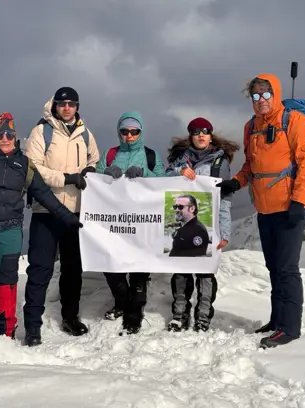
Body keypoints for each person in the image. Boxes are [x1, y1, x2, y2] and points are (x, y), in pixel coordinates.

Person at [216, 73, 305, 348]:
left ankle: (290, 327)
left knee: (287, 268)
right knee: (274, 268)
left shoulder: (293, 121)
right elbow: (251, 164)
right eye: (256, 96)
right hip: (264, 208)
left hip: (290, 207)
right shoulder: (252, 127)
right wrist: (236, 182)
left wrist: (299, 199)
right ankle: (277, 320)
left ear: (275, 94)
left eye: (266, 94)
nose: (261, 100)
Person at [0, 112, 82, 339]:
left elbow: (43, 194)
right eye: (1, 134)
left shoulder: (23, 164)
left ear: (15, 136)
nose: (5, 138)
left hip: (10, 231)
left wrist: (68, 218)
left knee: (7, 279)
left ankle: (6, 330)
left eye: (10, 134)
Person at [23, 87, 100, 346]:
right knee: (40, 269)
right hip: (46, 210)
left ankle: (70, 317)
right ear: (55, 105)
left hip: (75, 212)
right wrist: (66, 178)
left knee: (72, 269)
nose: (67, 108)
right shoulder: (41, 132)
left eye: (72, 104)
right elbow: (33, 168)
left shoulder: (85, 133)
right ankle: (33, 326)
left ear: (77, 106)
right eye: (62, 103)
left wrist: (90, 169)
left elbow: (95, 159)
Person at [165, 117, 239, 332]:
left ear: (210, 135)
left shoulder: (219, 161)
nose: (200, 135)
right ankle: (179, 314)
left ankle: (203, 316)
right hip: (179, 225)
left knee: (205, 272)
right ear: (191, 136)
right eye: (196, 132)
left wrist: (224, 231)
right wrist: (179, 172)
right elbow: (163, 177)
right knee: (181, 270)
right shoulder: (181, 158)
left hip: (208, 225)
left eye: (204, 132)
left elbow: (223, 199)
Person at [96, 110, 165, 334]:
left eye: (134, 131)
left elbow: (164, 183)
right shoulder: (109, 154)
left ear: (141, 132)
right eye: (124, 131)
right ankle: (121, 302)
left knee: (138, 265)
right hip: (113, 221)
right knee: (111, 264)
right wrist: (105, 174)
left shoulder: (151, 155)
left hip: (142, 220)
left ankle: (135, 309)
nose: (129, 135)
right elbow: (95, 178)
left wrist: (145, 172)